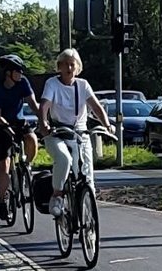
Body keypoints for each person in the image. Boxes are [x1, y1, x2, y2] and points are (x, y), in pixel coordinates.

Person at [37, 48, 111, 217]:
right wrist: (44, 124)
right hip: (57, 132)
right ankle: (56, 196)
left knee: (87, 175)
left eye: (73, 65)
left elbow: (96, 107)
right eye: (66, 65)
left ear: (78, 67)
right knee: (64, 159)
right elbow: (44, 105)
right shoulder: (52, 84)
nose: (70, 68)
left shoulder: (83, 85)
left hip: (80, 133)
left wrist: (107, 124)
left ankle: (88, 216)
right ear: (59, 67)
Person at [0, 54, 40, 221]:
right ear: (8, 73)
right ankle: (4, 201)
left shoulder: (23, 83)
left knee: (32, 140)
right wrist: (7, 128)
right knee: (5, 162)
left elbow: (33, 103)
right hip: (1, 124)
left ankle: (27, 165)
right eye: (18, 71)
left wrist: (44, 119)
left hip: (18, 121)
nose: (21, 74)